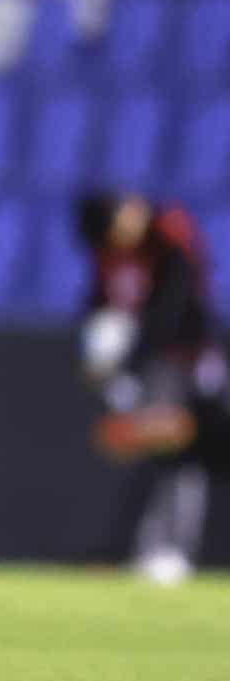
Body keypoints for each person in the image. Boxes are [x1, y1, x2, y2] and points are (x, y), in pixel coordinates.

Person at [75, 191, 224, 583]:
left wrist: (130, 361)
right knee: (155, 457)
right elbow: (97, 307)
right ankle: (150, 547)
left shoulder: (168, 236)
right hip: (153, 369)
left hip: (188, 364)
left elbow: (174, 308)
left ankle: (173, 549)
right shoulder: (110, 255)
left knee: (184, 453)